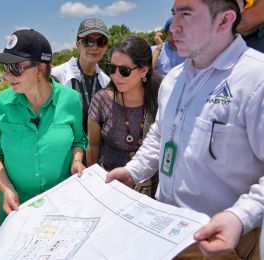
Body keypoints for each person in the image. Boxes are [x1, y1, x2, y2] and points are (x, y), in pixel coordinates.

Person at [106, 0, 264, 258]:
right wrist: (133, 171)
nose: (174, 27)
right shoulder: (173, 79)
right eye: (173, 14)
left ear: (224, 20)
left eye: (187, 14)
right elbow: (160, 134)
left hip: (221, 242)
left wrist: (240, 216)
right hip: (166, 231)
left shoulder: (257, 79)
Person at [0, 29, 88, 227]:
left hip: (61, 208)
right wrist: (6, 188)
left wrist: (77, 161)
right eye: (5, 67)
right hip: (16, 209)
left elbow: (78, 140)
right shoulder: (1, 103)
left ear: (40, 68)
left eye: (15, 67)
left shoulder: (71, 100)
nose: (7, 75)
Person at [86, 36, 160, 197]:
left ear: (144, 71)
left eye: (124, 70)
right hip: (111, 188)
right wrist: (93, 185)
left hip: (153, 192)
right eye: (112, 68)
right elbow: (93, 146)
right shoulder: (102, 100)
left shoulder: (160, 99)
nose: (116, 76)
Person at [52, 18, 110, 133]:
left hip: (95, 148)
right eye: (88, 41)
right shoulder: (57, 76)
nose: (94, 47)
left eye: (101, 41)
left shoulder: (106, 81)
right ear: (78, 45)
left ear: (106, 47)